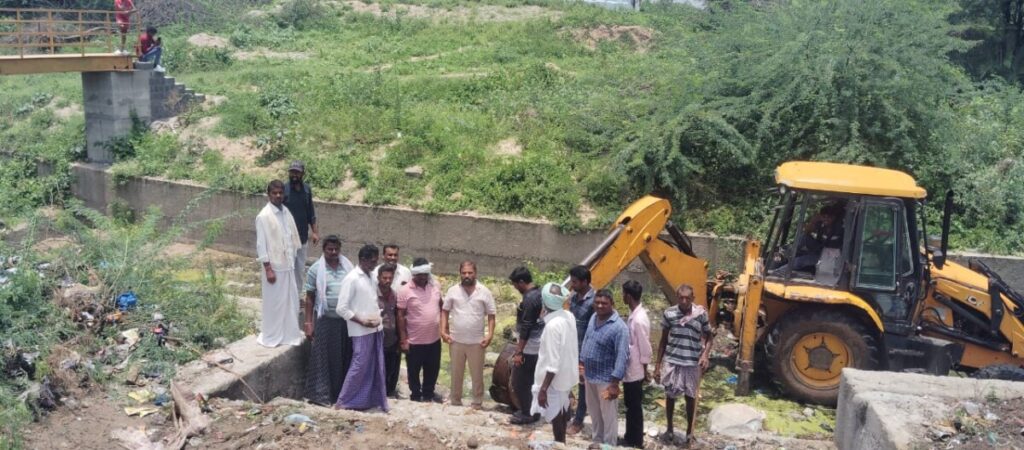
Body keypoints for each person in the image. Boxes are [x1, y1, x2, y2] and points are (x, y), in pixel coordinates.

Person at [653, 284, 713, 446]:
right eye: (681, 298)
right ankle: (670, 429)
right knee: (670, 396)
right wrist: (658, 366)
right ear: (677, 297)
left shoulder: (700, 314)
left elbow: (709, 336)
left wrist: (705, 355)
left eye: (688, 298)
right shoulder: (669, 313)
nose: (684, 301)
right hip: (672, 361)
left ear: (693, 298)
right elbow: (663, 340)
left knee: (690, 397)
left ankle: (689, 431)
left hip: (691, 362)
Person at [335, 244, 389, 412]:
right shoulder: (352, 279)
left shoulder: (371, 276)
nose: (375, 264)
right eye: (372, 261)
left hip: (375, 328)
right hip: (360, 330)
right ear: (363, 260)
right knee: (359, 365)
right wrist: (361, 321)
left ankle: (367, 400)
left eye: (376, 261)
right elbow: (341, 308)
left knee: (373, 365)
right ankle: (343, 401)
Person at [302, 235, 355, 406]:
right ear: (323, 250)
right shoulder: (316, 270)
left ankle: (342, 394)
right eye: (329, 249)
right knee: (323, 359)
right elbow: (309, 298)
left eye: (336, 249)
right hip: (325, 321)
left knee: (343, 357)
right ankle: (322, 396)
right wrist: (308, 323)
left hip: (345, 322)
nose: (333, 252)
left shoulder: (348, 268)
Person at [440, 261, 496, 408]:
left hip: (477, 341)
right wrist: (443, 331)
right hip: (456, 340)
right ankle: (455, 401)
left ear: (475, 273)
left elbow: (491, 315)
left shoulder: (484, 291)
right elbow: (444, 311)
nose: (467, 275)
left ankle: (477, 402)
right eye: (464, 273)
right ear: (460, 273)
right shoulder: (453, 291)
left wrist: (489, 335)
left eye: (470, 273)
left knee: (477, 375)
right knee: (456, 373)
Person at [255, 180, 303, 348]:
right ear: (268, 194)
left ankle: (289, 335)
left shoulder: (285, 212)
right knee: (274, 304)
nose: (278, 196)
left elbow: (290, 237)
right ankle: (272, 335)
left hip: (287, 265)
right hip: (274, 267)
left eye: (280, 193)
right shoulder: (264, 216)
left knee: (290, 301)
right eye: (274, 193)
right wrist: (268, 269)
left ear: (284, 194)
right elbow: (261, 245)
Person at [579, 289, 630, 446]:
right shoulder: (594, 317)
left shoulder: (619, 328)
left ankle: (608, 446)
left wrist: (615, 384)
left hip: (606, 380)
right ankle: (597, 443)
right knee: (595, 414)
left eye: (604, 303)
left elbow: (622, 356)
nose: (600, 306)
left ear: (612, 304)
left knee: (609, 418)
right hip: (590, 375)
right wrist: (581, 363)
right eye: (597, 302)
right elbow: (586, 339)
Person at [529, 282, 578, 444]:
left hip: (553, 382)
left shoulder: (552, 326)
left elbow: (553, 362)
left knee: (556, 415)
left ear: (544, 303)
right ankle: (561, 443)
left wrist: (543, 389)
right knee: (563, 411)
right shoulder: (568, 316)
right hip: (566, 376)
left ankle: (560, 443)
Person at [397, 257, 443, 402]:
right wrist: (404, 339)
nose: (423, 277)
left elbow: (441, 307)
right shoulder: (405, 290)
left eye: (425, 274)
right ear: (414, 274)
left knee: (432, 369)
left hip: (434, 339)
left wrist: (443, 329)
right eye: (420, 274)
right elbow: (400, 315)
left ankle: (429, 394)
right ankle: (416, 396)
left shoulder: (435, 287)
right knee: (413, 371)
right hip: (415, 340)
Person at [509, 266, 543, 425]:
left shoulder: (529, 299)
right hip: (538, 346)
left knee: (519, 382)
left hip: (529, 348)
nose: (515, 288)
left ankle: (527, 413)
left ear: (522, 282)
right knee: (532, 381)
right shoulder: (539, 293)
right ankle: (532, 411)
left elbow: (527, 326)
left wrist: (519, 352)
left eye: (516, 285)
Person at [566, 265, 596, 435]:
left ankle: (578, 421)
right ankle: (567, 412)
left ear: (585, 282)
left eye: (575, 282)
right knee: (567, 381)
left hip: (585, 351)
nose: (572, 285)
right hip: (571, 348)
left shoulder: (595, 301)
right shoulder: (574, 298)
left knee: (583, 386)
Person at [622, 280, 652, 449]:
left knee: (634, 406)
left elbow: (645, 346)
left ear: (628, 295)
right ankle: (630, 436)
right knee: (630, 403)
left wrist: (645, 369)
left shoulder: (639, 319)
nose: (622, 297)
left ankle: (635, 441)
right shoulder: (634, 314)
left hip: (636, 368)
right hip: (632, 367)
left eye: (623, 294)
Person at [284, 161, 319, 293]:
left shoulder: (307, 190)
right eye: (292, 172)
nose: (294, 175)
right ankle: (286, 297)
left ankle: (297, 297)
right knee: (287, 269)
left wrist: (315, 232)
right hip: (286, 239)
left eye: (297, 172)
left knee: (299, 270)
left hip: (302, 238)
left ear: (302, 174)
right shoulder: (283, 190)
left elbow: (310, 212)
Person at [377, 263, 402, 398]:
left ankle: (388, 392)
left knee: (390, 367)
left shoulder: (394, 295)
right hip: (376, 339)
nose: (387, 281)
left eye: (390, 278)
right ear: (378, 277)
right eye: (384, 278)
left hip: (391, 339)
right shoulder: (372, 294)